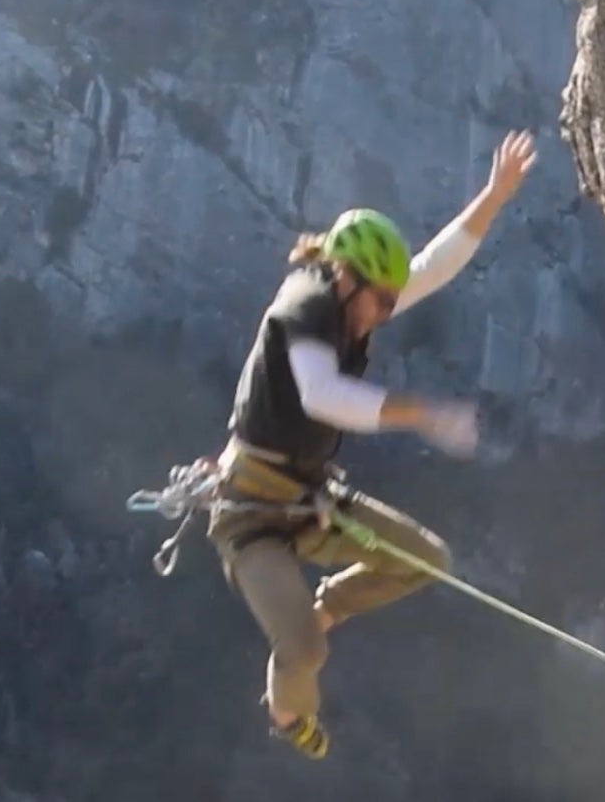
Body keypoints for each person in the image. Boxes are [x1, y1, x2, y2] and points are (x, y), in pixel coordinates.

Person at [206, 129, 538, 759]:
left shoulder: (358, 296)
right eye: (380, 302)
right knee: (304, 650)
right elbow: (320, 395)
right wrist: (419, 414)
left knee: (424, 560)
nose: (386, 314)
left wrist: (493, 197)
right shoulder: (303, 304)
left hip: (309, 497)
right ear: (345, 277)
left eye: (390, 302)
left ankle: (325, 608)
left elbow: (430, 269)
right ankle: (287, 713)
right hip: (250, 515)